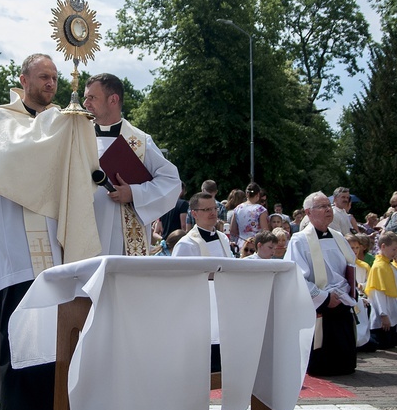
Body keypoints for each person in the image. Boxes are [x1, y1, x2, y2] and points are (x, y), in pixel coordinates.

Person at [0, 54, 100, 410]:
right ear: (23, 78)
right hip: (19, 233)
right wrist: (62, 123)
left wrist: (74, 129)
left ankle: (8, 395)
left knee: (39, 318)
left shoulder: (60, 121)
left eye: (54, 77)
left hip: (51, 231)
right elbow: (9, 160)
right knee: (25, 316)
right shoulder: (2, 117)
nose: (50, 83)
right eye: (43, 76)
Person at [83, 73, 180, 255]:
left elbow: (172, 183)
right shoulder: (77, 138)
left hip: (123, 240)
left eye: (92, 98)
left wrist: (134, 193)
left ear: (113, 100)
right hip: (84, 232)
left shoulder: (140, 142)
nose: (85, 104)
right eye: (85, 98)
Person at [284, 191, 357, 376]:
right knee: (322, 365)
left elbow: (348, 268)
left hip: (342, 298)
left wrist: (343, 291)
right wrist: (324, 297)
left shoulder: (339, 237)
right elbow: (297, 276)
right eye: (322, 206)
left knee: (345, 364)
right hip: (319, 304)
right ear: (308, 212)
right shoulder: (299, 240)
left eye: (329, 206)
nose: (328, 210)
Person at [172, 192, 234, 372]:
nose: (213, 213)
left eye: (214, 208)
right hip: (201, 308)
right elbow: (180, 281)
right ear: (194, 213)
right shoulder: (186, 244)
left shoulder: (223, 238)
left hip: (223, 305)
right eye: (206, 209)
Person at [364, 231, 397, 349]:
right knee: (384, 345)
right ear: (383, 247)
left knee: (391, 344)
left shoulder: (389, 265)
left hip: (391, 316)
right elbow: (378, 293)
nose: (396, 253)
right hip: (383, 317)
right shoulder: (379, 267)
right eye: (394, 249)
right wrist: (383, 314)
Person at [230, 182, 269, 249]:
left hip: (241, 244)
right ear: (258, 194)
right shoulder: (260, 210)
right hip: (256, 244)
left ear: (246, 194)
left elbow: (232, 230)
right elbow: (264, 231)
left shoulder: (238, 208)